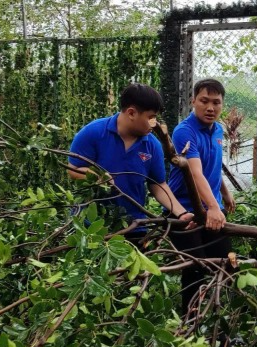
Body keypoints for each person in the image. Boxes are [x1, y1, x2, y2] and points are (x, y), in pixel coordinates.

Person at [68, 83, 194, 243]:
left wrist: (182, 213)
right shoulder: (93, 133)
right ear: (132, 113)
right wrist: (96, 176)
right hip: (90, 225)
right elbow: (73, 170)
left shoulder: (152, 145)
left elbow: (158, 184)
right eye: (150, 117)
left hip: (134, 225)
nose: (154, 123)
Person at [167, 78, 236, 312]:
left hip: (212, 208)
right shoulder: (184, 132)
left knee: (227, 263)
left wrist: (225, 195)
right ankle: (189, 320)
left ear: (222, 105)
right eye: (204, 101)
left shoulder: (217, 129)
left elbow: (213, 166)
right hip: (184, 211)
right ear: (193, 101)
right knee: (195, 268)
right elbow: (195, 173)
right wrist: (214, 209)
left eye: (216, 102)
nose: (210, 107)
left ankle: (217, 315)